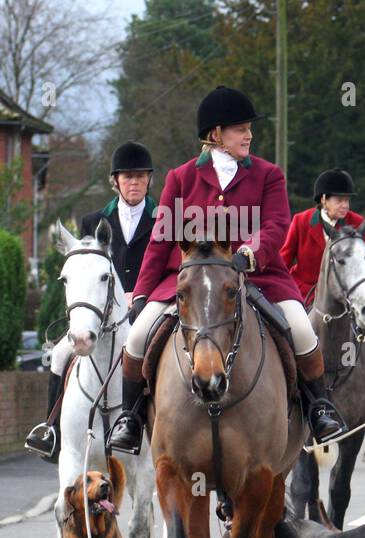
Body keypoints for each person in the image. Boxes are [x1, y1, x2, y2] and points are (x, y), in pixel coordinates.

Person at [108, 86, 345, 453]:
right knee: (137, 337)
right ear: (216, 134)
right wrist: (141, 291)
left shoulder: (268, 175)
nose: (249, 135)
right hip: (187, 280)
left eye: (249, 128)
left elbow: (277, 223)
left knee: (301, 329)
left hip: (258, 276)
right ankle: (131, 417)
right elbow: (161, 238)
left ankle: (318, 409)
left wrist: (253, 251)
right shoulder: (181, 177)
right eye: (240, 128)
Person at [26, 141, 157, 461]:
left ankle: (165, 432)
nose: (134, 182)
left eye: (140, 176)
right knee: (58, 354)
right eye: (127, 177)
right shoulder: (93, 221)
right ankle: (51, 430)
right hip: (103, 314)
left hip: (148, 306)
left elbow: (168, 265)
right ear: (116, 181)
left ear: (149, 180)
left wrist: (140, 293)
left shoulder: (162, 219)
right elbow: (84, 272)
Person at [281, 168, 365, 409]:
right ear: (323, 200)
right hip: (308, 294)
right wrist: (291, 295)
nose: (345, 205)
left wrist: (364, 294)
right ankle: (287, 390)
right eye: (339, 200)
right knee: (288, 333)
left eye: (347, 200)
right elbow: (284, 261)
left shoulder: (357, 223)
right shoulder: (302, 222)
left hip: (349, 297)